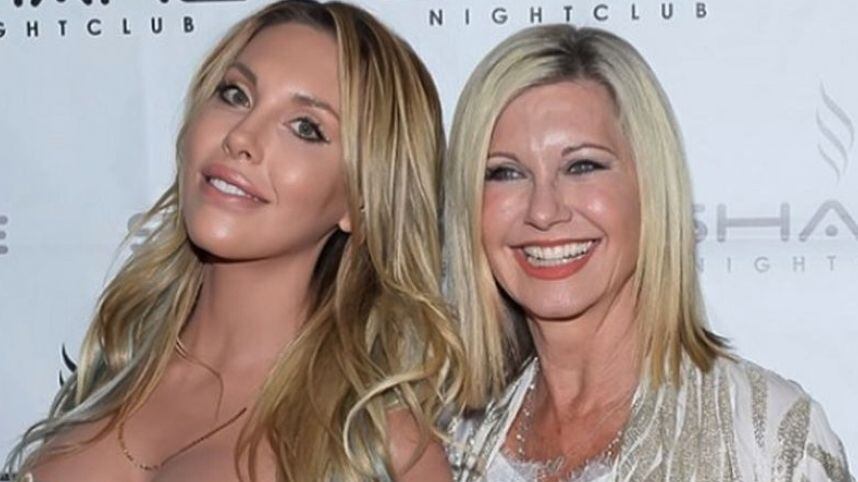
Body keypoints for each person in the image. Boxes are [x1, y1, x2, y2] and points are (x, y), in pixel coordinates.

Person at [5, 1, 465, 480]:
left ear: (362, 200)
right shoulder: (110, 368)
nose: (242, 136)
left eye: (306, 128)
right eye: (235, 95)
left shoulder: (383, 446)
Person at [443, 24, 852, 482]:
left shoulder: (766, 437)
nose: (543, 211)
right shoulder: (447, 444)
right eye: (505, 172)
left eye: (582, 166)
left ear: (650, 189)